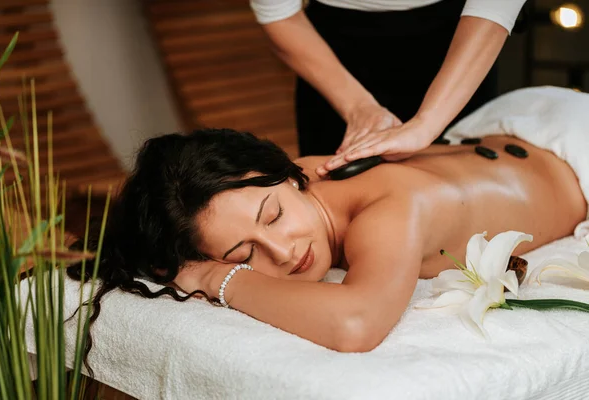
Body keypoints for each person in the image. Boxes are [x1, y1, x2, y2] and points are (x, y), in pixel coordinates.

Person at [67, 87, 589, 372]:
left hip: (573, 150)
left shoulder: (389, 208)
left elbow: (355, 325)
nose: (283, 250)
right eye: (244, 252)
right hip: (513, 132)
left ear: (291, 177)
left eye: (271, 217)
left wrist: (216, 278)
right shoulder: (270, 182)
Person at [249, 0, 527, 175]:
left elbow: (495, 5)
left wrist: (426, 124)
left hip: (460, 41)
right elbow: (278, 12)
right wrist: (359, 108)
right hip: (329, 56)